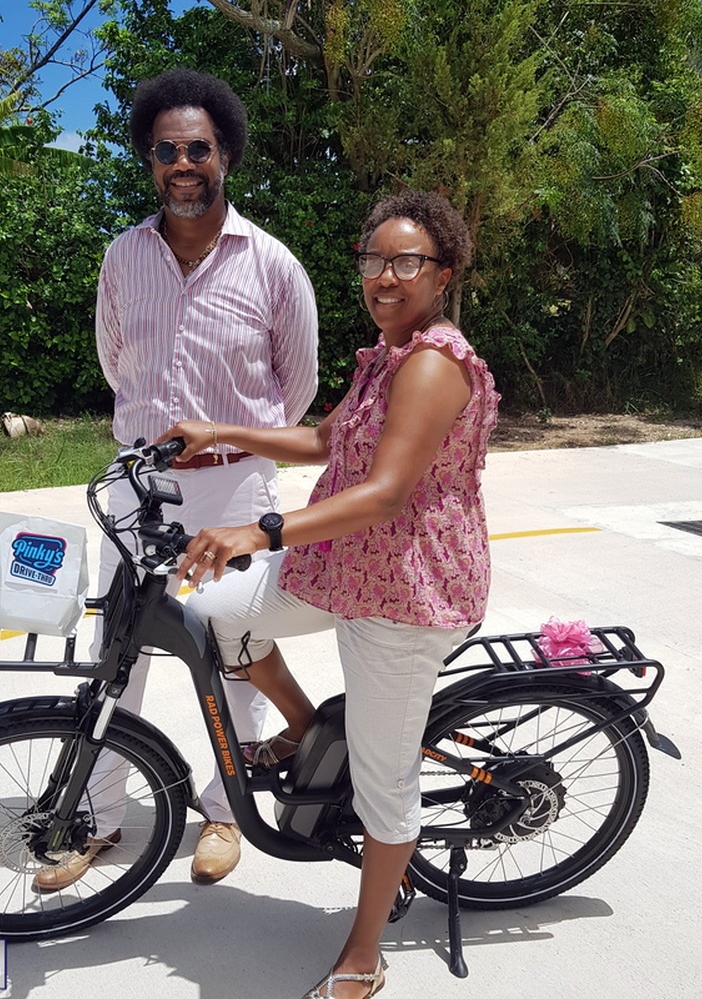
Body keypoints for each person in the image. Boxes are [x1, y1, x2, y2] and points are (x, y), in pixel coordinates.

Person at [161, 190, 499, 999]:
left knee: (384, 784)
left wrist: (260, 530)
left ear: (442, 273)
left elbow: (384, 493)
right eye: (373, 259)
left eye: (406, 261)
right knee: (212, 613)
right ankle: (307, 727)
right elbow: (321, 439)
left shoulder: (432, 364)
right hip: (343, 565)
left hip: (406, 591)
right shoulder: (387, 354)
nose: (384, 275)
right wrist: (220, 431)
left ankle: (363, 955)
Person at [33, 68, 318, 891]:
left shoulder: (272, 265)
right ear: (148, 159)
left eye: (198, 149)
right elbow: (114, 360)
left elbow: (295, 389)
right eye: (166, 151)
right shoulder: (123, 257)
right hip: (139, 485)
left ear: (225, 153)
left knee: (236, 647)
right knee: (117, 651)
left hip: (234, 489)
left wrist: (225, 446)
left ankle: (227, 811)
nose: (182, 164)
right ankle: (98, 818)